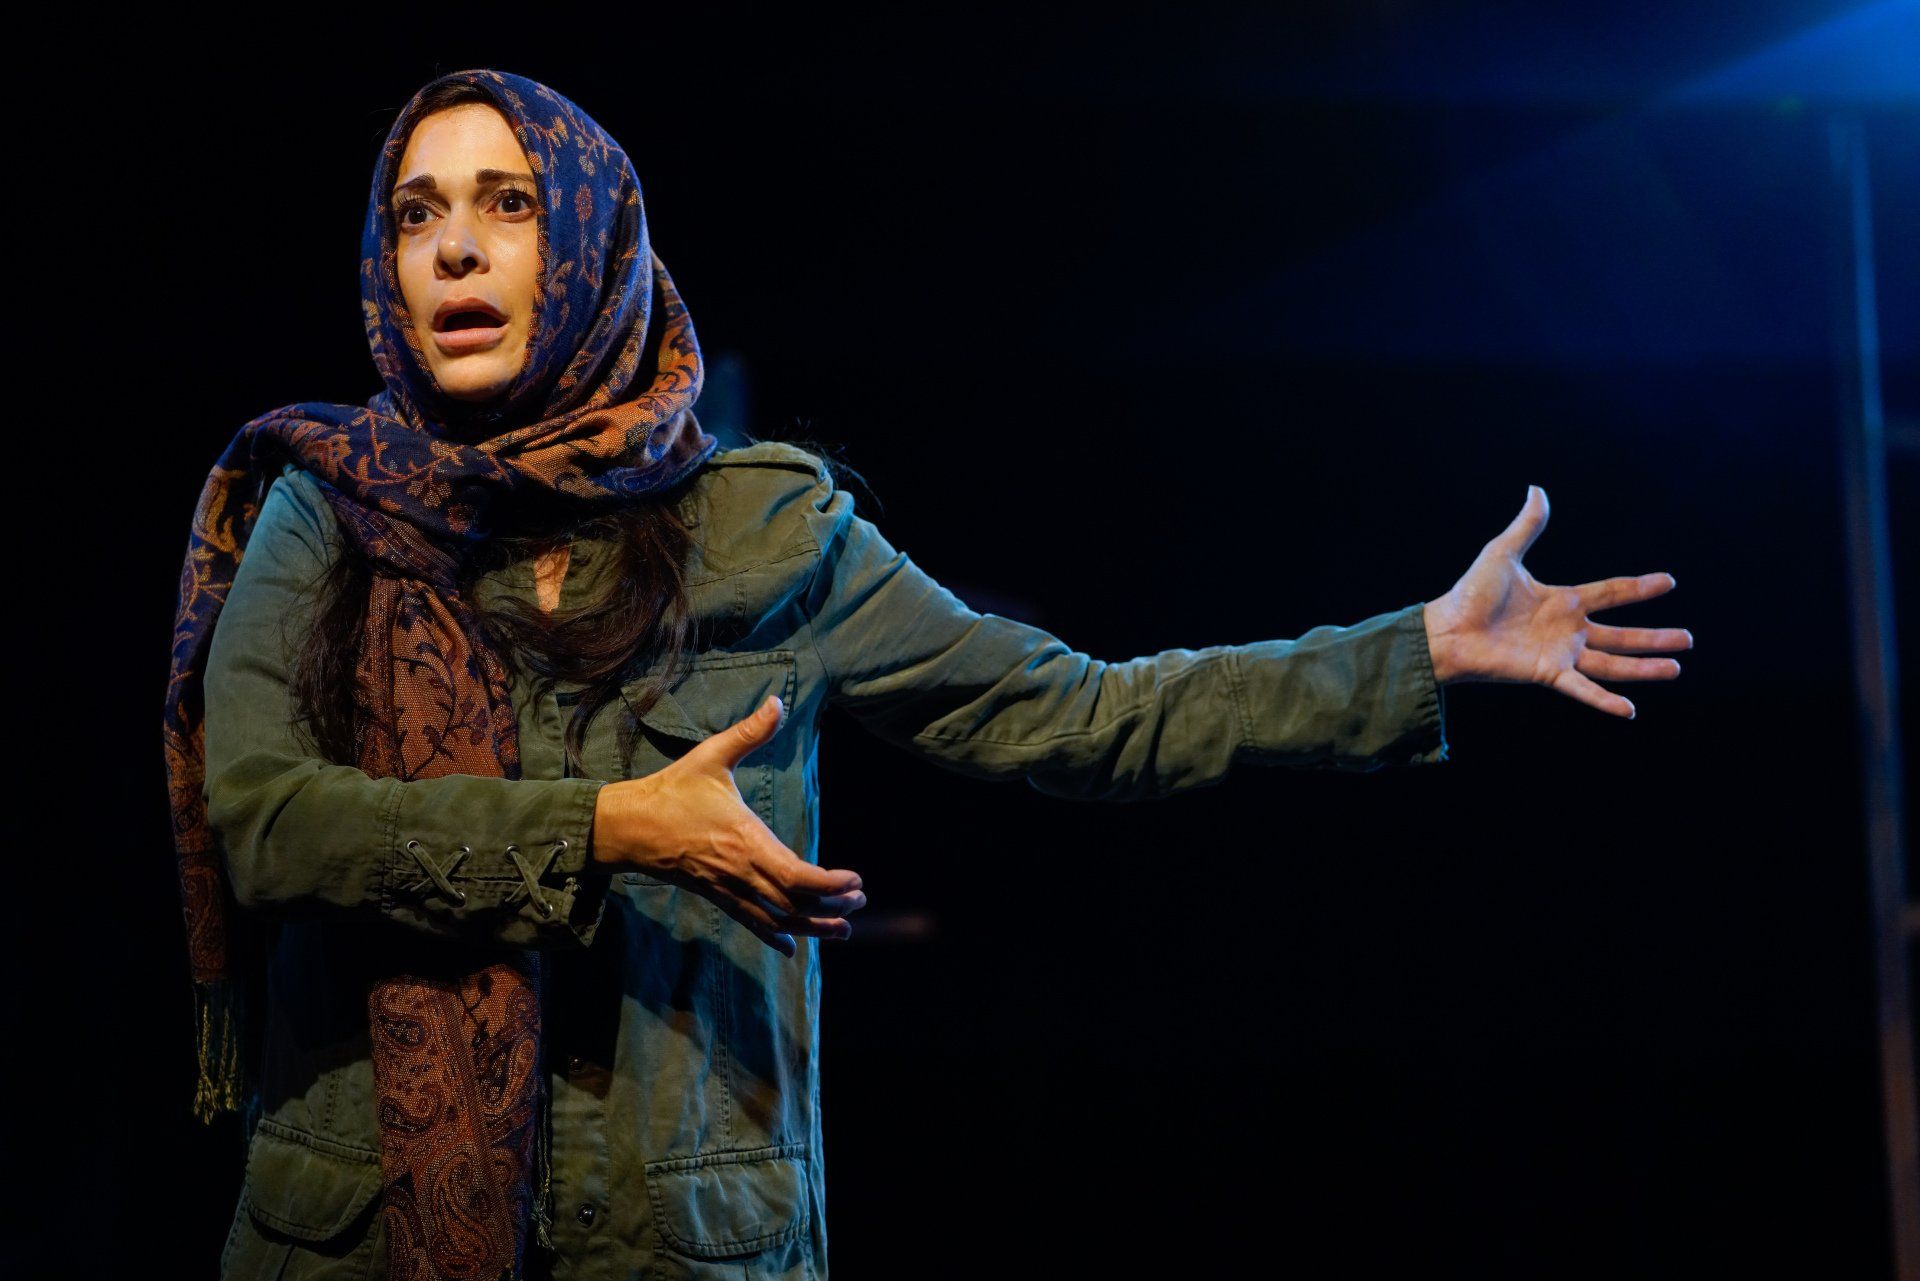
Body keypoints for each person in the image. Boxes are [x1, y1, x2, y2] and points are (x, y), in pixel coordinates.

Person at [162, 68, 1692, 1281]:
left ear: (594, 241)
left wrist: (1410, 648)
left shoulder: (764, 528)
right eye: (418, 211)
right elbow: (265, 820)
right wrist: (613, 827)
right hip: (356, 1238)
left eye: (506, 203)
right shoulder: (324, 502)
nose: (453, 246)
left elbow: (1083, 713)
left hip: (682, 1245)